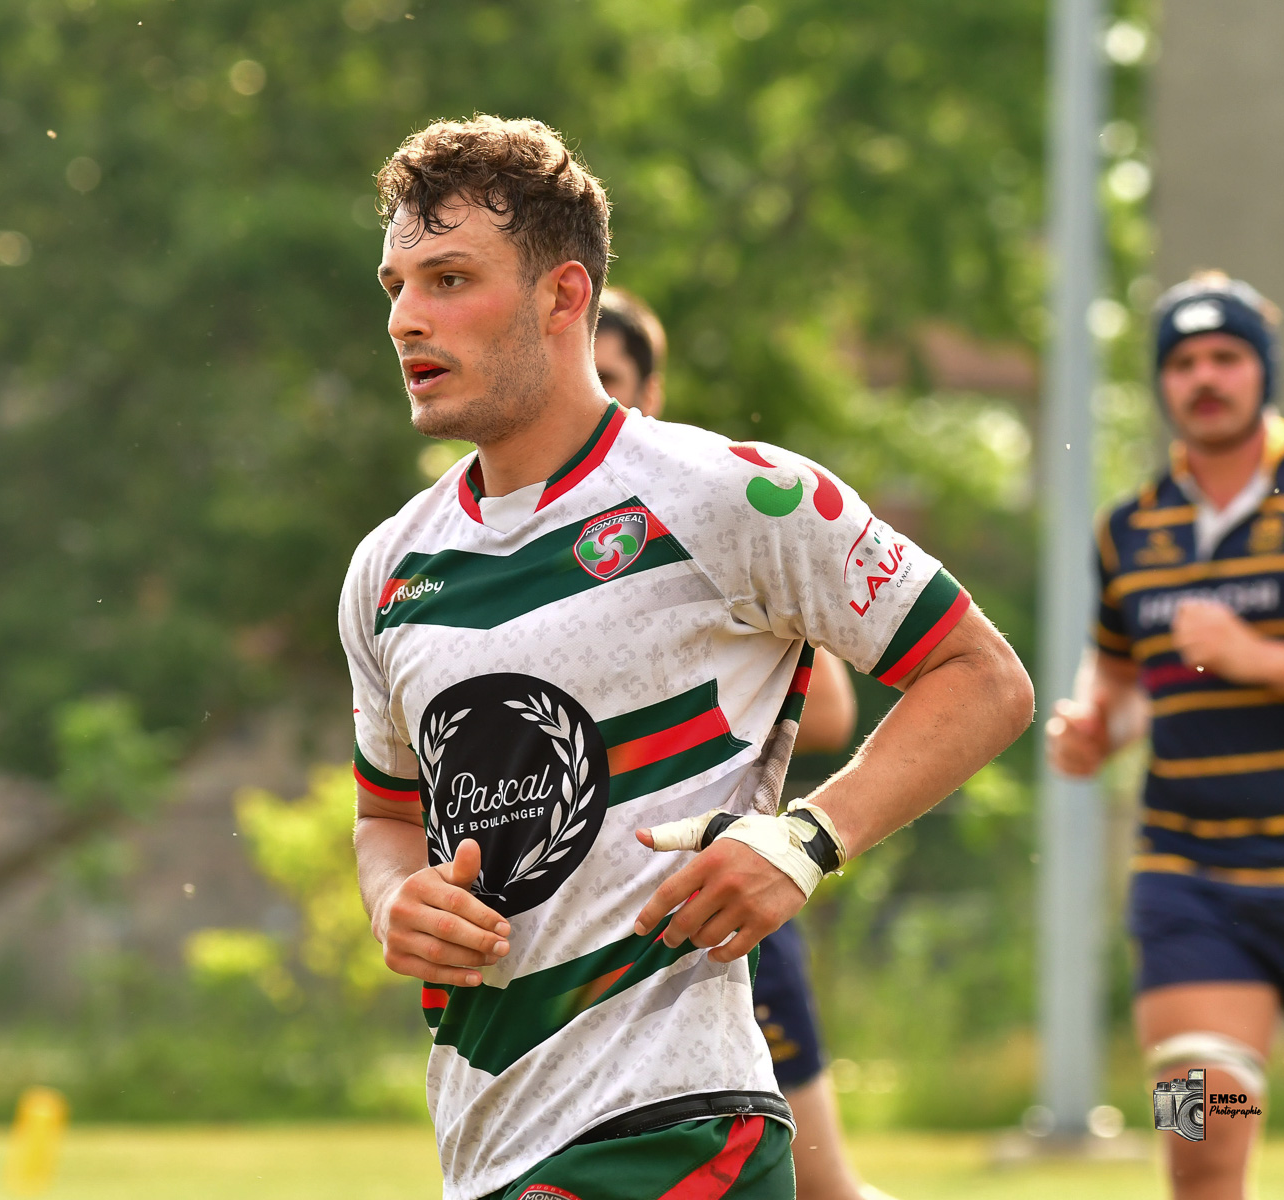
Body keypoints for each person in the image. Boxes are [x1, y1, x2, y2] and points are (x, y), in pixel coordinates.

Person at [346, 115, 1033, 1200]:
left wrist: (808, 839)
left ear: (563, 297)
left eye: (447, 277)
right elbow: (387, 817)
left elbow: (984, 679)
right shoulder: (389, 568)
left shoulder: (733, 495)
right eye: (396, 283)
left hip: (673, 1127)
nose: (403, 319)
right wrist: (394, 902)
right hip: (487, 1145)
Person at [594, 288, 889, 1200]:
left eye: (608, 380)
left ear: (653, 390)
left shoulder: (712, 513)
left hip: (713, 903)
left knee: (822, 1187)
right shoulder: (471, 540)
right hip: (580, 931)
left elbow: (832, 711)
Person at [1048, 272, 1284, 1200]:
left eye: (1226, 357)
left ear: (1264, 371)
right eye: (1183, 362)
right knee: (1199, 1140)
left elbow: (1236, 659)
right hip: (1192, 883)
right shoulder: (1127, 530)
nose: (1204, 378)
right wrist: (1098, 724)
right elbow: (1126, 675)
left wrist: (1259, 656)